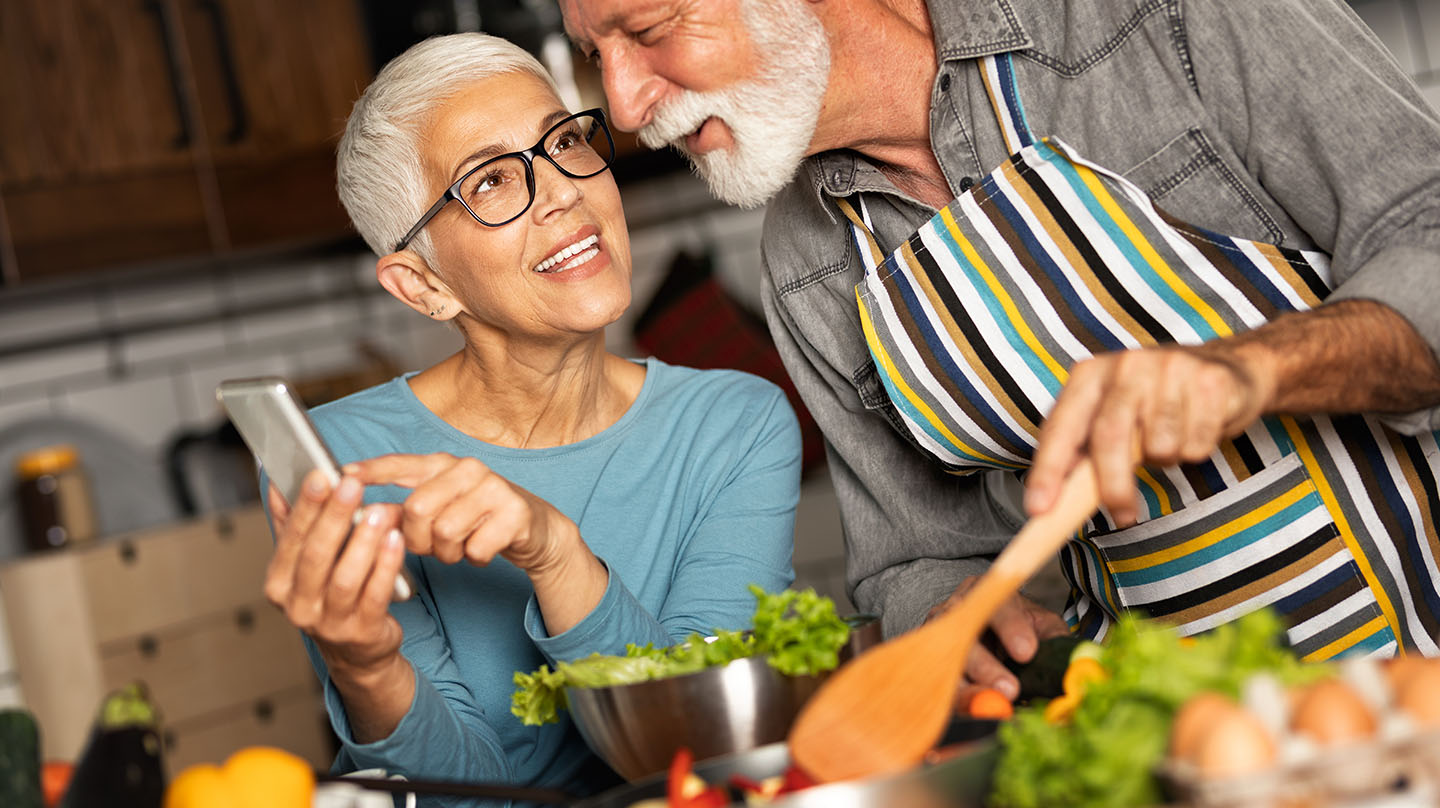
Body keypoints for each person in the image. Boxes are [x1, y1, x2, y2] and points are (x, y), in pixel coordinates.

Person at [560, 0, 1440, 703]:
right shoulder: (806, 258)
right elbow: (910, 556)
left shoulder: (1150, 19)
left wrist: (1253, 369)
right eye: (597, 55)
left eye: (646, 31)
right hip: (1176, 732)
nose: (629, 105)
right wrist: (948, 615)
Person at [259, 32, 801, 799]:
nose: (562, 191)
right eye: (488, 183)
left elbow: (698, 754)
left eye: (566, 141)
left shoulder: (734, 426)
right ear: (423, 287)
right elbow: (462, 792)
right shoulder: (351, 456)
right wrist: (366, 669)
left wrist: (554, 552)